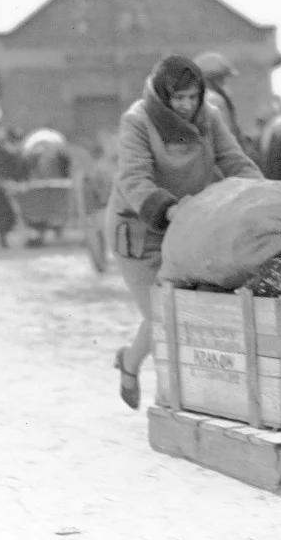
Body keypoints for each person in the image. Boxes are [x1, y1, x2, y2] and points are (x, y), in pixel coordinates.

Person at [108, 55, 263, 409]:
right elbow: (135, 178)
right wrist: (169, 209)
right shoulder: (137, 121)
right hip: (140, 226)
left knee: (185, 308)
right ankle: (139, 373)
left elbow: (234, 160)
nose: (187, 105)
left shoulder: (209, 116)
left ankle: (140, 366)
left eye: (193, 97)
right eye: (179, 98)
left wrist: (263, 196)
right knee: (162, 314)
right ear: (164, 96)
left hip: (189, 222)